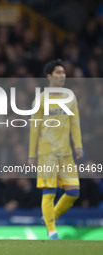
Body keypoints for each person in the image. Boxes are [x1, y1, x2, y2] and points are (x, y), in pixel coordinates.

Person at [28, 59, 83, 240]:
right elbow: (34, 128)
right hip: (47, 152)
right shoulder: (41, 99)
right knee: (49, 191)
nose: (62, 76)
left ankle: (49, 217)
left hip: (65, 152)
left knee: (73, 192)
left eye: (63, 72)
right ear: (49, 77)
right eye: (58, 73)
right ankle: (52, 230)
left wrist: (78, 145)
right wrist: (31, 154)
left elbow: (75, 123)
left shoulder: (71, 97)